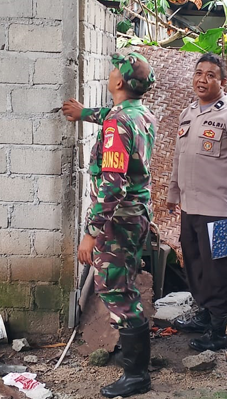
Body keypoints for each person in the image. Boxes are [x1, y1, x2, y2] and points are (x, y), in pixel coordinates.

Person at [61, 52, 156, 398]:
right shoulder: (140, 113)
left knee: (116, 290)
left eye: (115, 69)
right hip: (136, 216)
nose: (110, 71)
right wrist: (84, 113)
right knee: (124, 285)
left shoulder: (118, 123)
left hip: (117, 222)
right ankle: (136, 367)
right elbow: (110, 115)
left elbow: (112, 186)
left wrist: (91, 233)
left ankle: (136, 376)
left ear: (118, 82)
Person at [166, 52, 227, 352]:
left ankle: (219, 332)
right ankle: (204, 315)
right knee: (195, 267)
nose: (202, 79)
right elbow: (179, 157)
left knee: (219, 273)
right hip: (191, 208)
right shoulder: (188, 113)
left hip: (221, 210)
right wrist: (173, 193)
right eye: (198, 73)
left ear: (223, 81)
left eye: (210, 75)